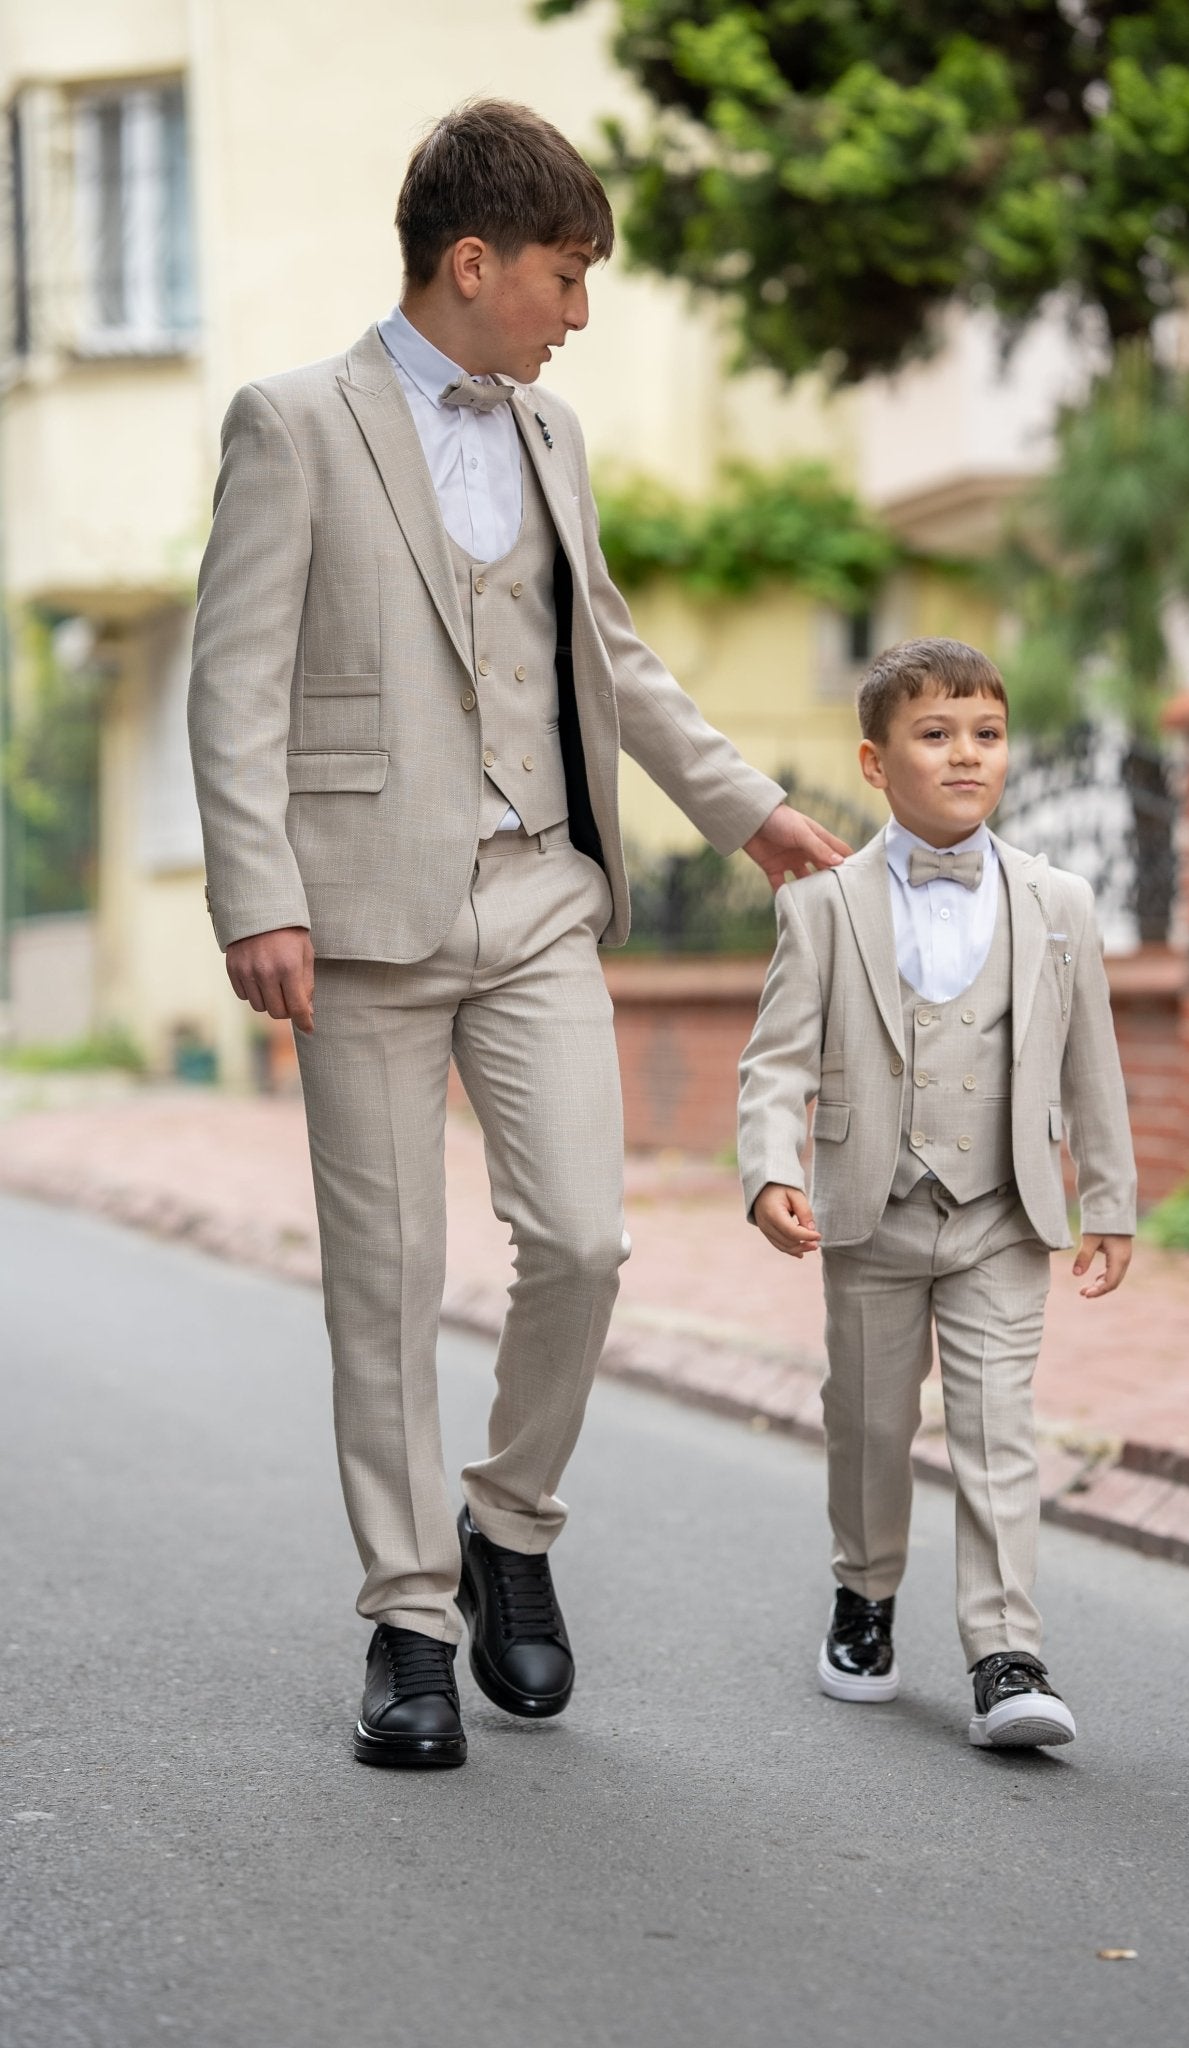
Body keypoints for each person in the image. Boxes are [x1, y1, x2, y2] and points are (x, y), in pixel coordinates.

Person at [187, 99, 847, 1770]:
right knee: (387, 1284)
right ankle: (410, 1619)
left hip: (540, 896)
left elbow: (609, 660)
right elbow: (235, 678)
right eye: (564, 275)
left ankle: (512, 1525)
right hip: (358, 921)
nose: (576, 311)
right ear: (471, 263)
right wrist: (255, 890)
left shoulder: (550, 444)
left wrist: (747, 807)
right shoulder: (293, 424)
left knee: (583, 1243)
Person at [736, 637, 1136, 1749]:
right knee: (867, 1421)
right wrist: (771, 1167)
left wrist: (1110, 1198)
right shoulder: (822, 905)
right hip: (871, 1206)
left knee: (998, 1428)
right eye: (935, 733)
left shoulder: (1061, 900)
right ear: (874, 762)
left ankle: (1007, 1651)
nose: (967, 753)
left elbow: (1090, 1062)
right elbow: (775, 1058)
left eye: (987, 733)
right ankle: (863, 1598)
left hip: (1004, 1209)